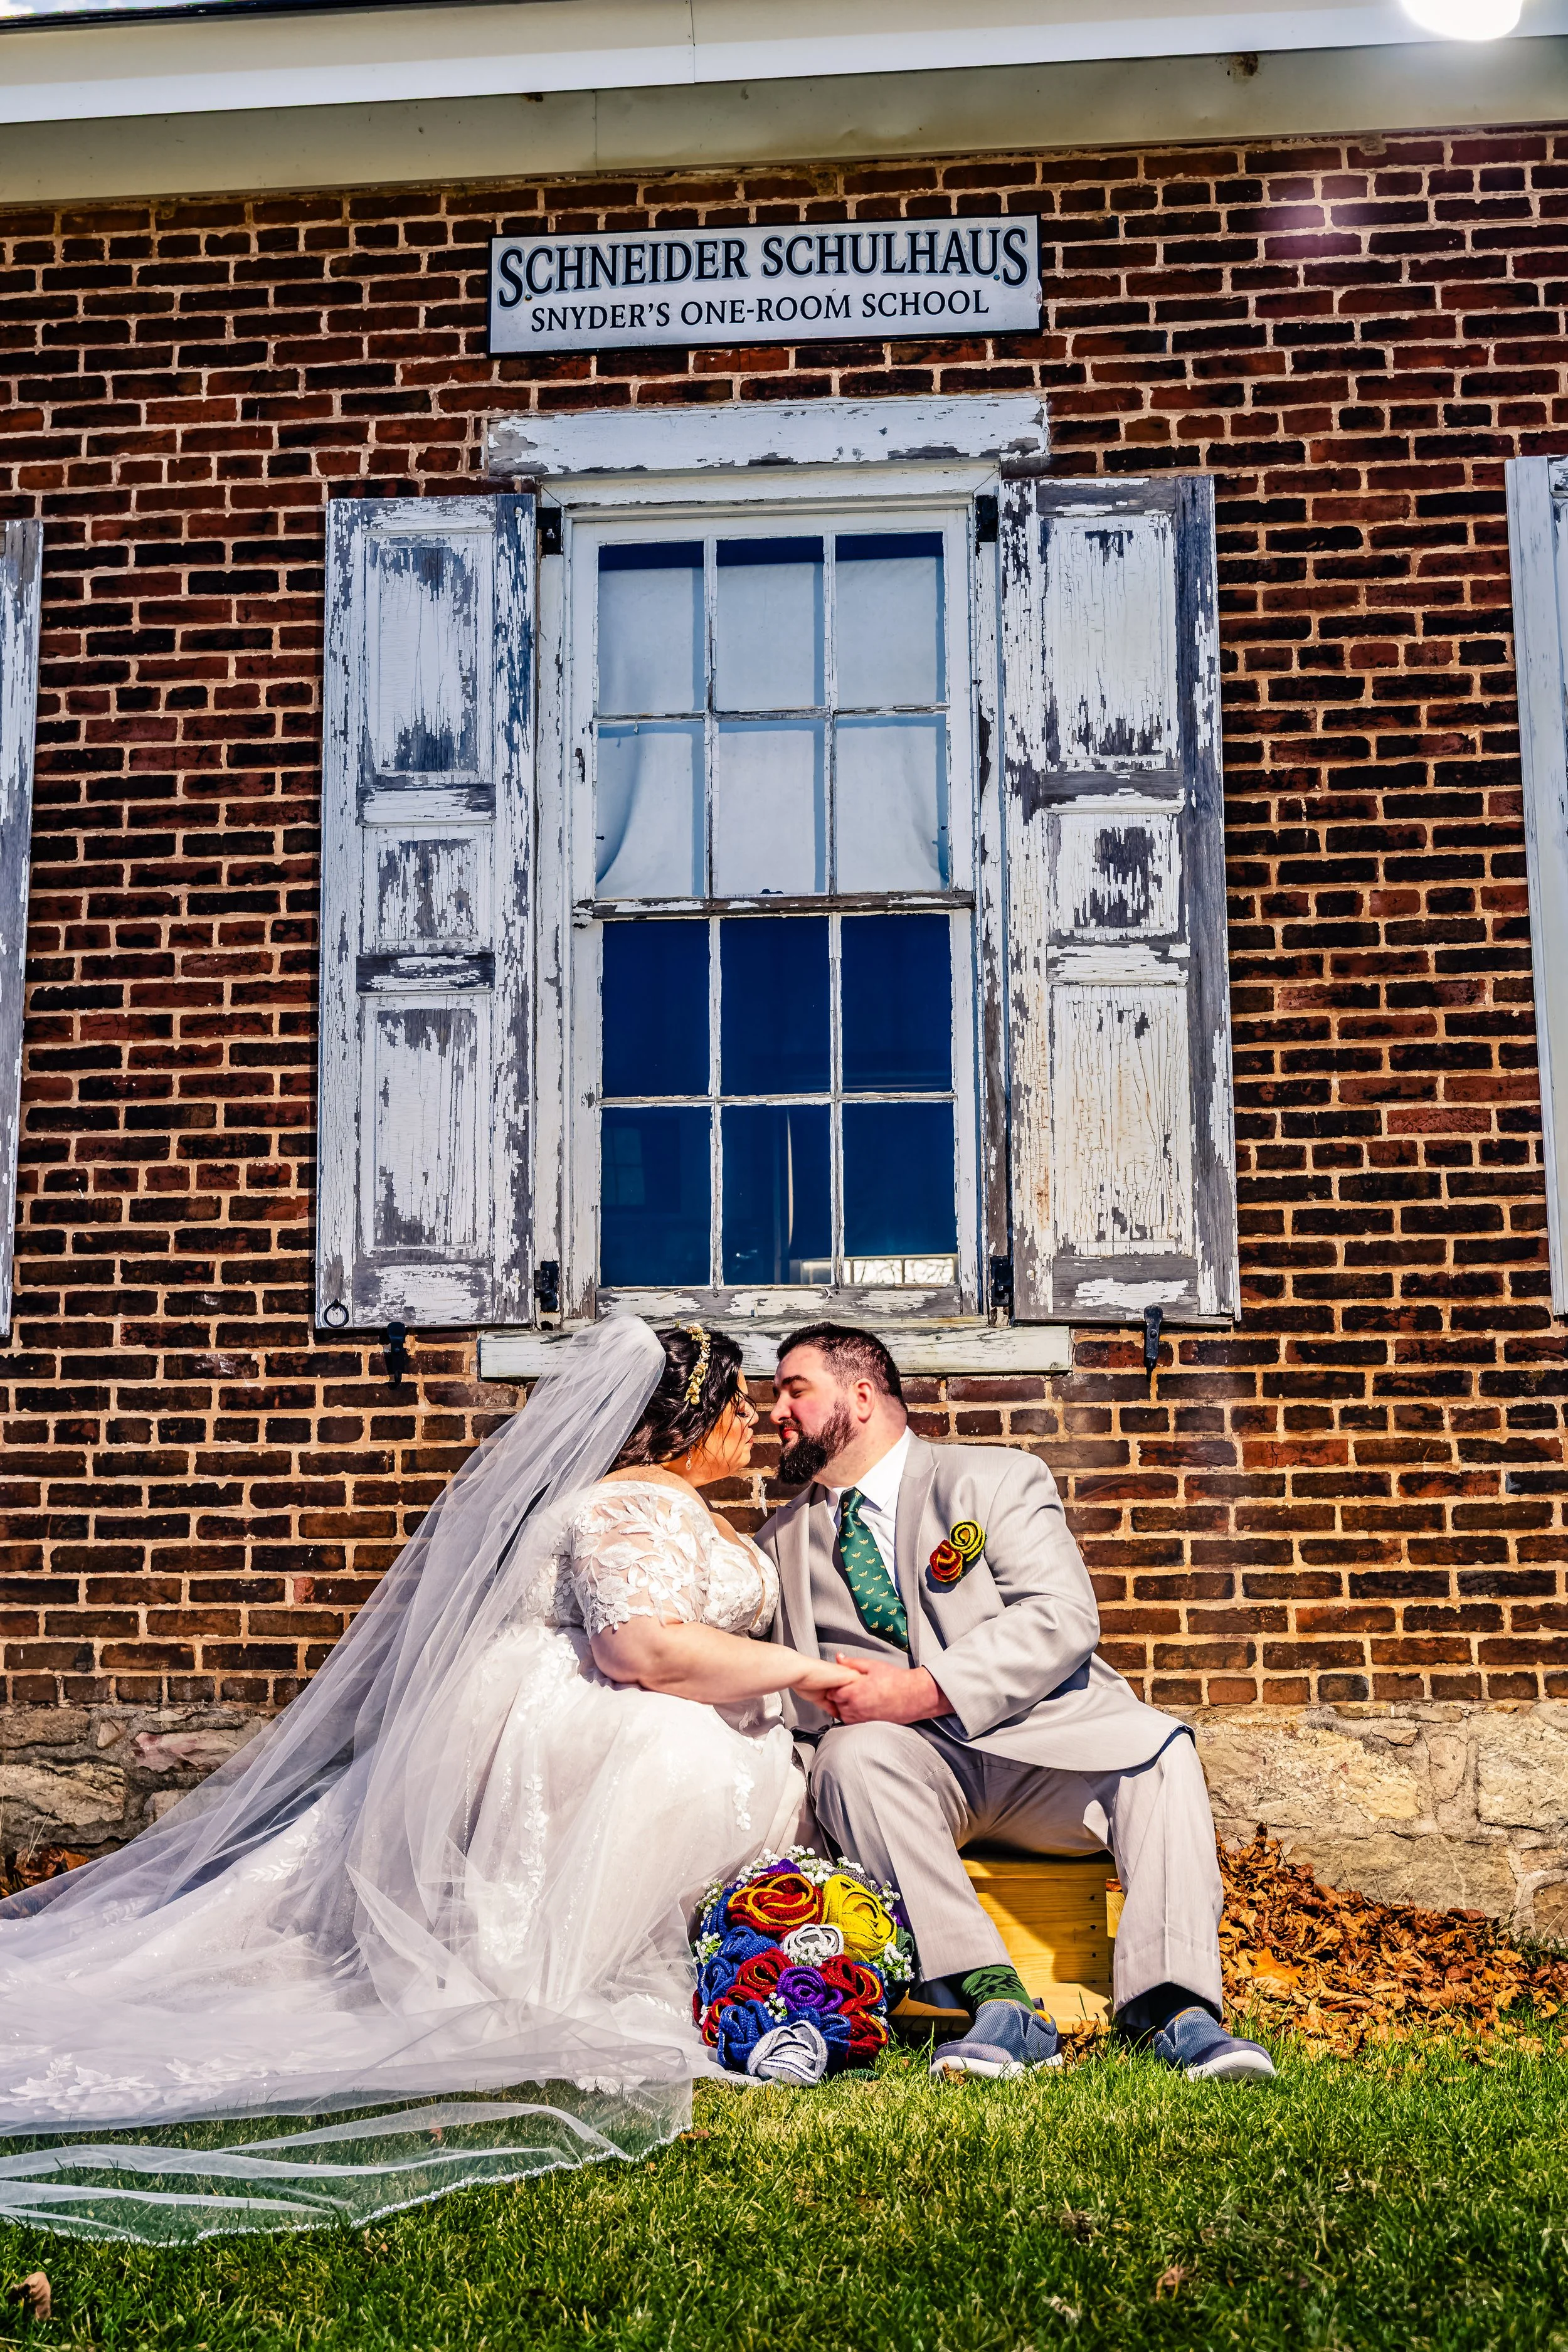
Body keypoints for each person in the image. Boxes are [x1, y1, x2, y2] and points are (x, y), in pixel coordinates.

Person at [0, 1317, 856, 2242]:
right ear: (693, 1415)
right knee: (665, 1767)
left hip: (626, 1724)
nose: (755, 1420)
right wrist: (808, 1676)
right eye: (738, 1401)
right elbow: (639, 1647)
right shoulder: (631, 1502)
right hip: (593, 1734)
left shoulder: (677, 1503)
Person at [758, 1322, 1275, 2085]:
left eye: (793, 1390)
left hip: (1048, 1745)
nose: (776, 1411)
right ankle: (995, 2003)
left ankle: (1173, 2010)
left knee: (1161, 1749)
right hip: (915, 1771)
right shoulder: (777, 1541)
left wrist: (926, 1689)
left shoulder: (995, 1481)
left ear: (860, 1396)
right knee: (850, 1758)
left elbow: (1061, 1617)